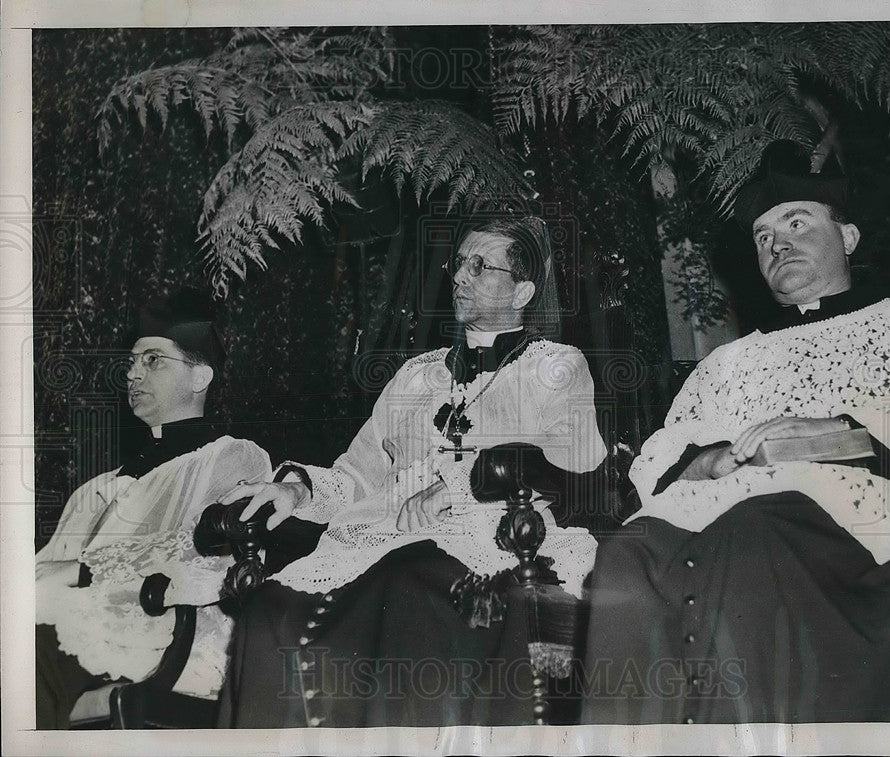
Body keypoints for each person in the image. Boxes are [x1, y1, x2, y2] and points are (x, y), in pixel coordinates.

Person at [581, 142, 890, 724]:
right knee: (624, 558)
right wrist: (705, 461)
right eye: (762, 235)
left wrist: (830, 432)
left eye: (797, 221)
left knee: (753, 527)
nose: (777, 242)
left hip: (850, 522)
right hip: (725, 513)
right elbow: (666, 452)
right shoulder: (730, 361)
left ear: (849, 238)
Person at [215, 216, 608, 727]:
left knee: (404, 587)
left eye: (480, 265)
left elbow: (578, 465)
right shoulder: (415, 375)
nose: (460, 276)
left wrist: (459, 486)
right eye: (458, 263)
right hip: (384, 541)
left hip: (492, 543)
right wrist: (296, 490)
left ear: (523, 290)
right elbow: (357, 476)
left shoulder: (556, 365)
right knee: (267, 610)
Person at [35, 289, 271, 729]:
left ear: (200, 377)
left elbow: (204, 557)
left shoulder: (230, 459)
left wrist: (84, 571)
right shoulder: (97, 488)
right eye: (132, 362)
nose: (133, 374)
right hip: (81, 631)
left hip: (166, 634)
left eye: (154, 360)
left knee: (30, 653)